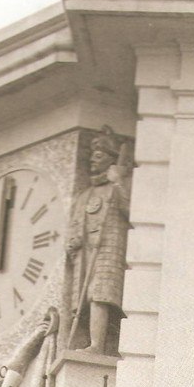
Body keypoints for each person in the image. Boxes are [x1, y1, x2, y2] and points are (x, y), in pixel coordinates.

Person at [66, 127, 130, 354]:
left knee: (100, 293)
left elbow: (132, 212)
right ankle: (85, 341)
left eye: (99, 155)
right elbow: (75, 222)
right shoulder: (84, 194)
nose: (93, 159)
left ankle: (97, 345)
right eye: (92, 155)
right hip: (86, 253)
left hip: (108, 248)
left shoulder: (117, 188)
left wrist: (120, 181)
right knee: (83, 299)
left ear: (112, 161)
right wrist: (73, 241)